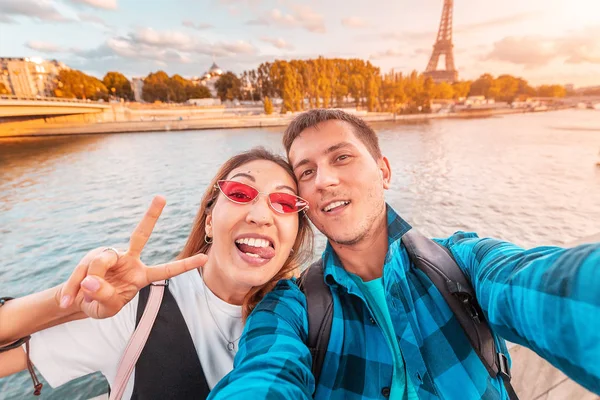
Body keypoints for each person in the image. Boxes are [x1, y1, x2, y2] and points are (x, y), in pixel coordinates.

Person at [209, 109, 600, 400]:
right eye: (306, 172)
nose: (325, 179)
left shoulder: (464, 263)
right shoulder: (291, 307)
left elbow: (544, 285)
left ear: (384, 172)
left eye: (341, 157)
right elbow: (263, 377)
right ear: (303, 202)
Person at [0, 147, 313, 399]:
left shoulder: (308, 314)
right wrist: (66, 300)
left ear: (294, 236)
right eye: (240, 194)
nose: (260, 216)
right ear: (208, 221)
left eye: (285, 203)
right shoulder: (138, 306)